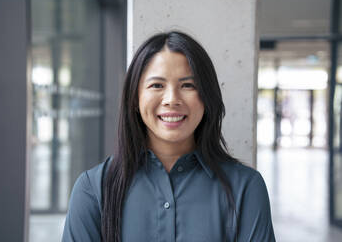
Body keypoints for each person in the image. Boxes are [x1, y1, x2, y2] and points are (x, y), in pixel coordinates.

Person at [62, 31, 276, 242]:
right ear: (135, 99)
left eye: (188, 85)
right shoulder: (93, 189)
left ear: (206, 98)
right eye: (157, 85)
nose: (172, 99)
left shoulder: (246, 188)